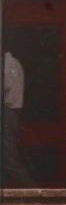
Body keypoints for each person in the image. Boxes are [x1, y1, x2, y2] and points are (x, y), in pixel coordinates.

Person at [2, 50, 31, 186]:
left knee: (9, 159)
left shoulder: (9, 64)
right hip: (8, 113)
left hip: (7, 113)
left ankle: (34, 193)